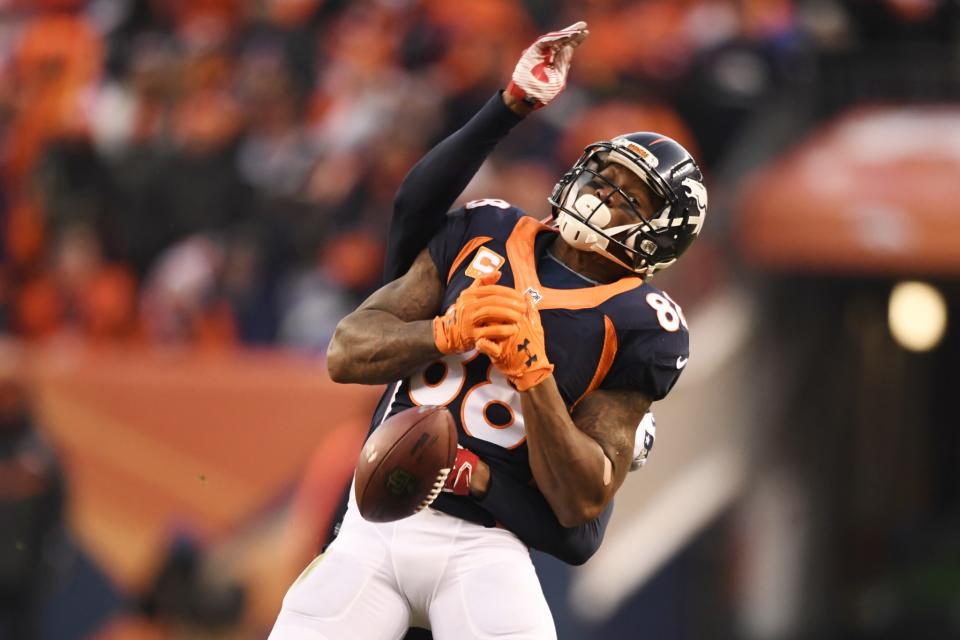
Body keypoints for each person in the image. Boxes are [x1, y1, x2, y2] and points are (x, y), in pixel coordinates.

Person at [270, 20, 706, 640]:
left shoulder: (643, 323)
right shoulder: (489, 228)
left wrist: (535, 375)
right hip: (375, 526)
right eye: (604, 176)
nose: (603, 195)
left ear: (661, 234)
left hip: (483, 550)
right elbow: (346, 350)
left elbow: (582, 510)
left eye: (630, 196)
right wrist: (443, 333)